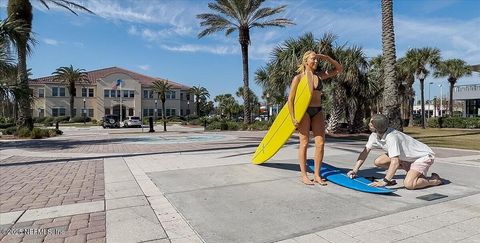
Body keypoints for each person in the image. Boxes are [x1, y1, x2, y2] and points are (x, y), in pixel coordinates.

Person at [288, 51, 343, 185]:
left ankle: (317, 175)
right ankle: (304, 175)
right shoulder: (298, 78)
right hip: (304, 111)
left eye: (317, 60)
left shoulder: (320, 76)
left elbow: (338, 69)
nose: (316, 61)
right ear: (306, 61)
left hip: (318, 110)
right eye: (314, 59)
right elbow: (291, 100)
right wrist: (293, 118)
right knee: (304, 143)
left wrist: (327, 57)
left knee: (320, 143)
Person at [347, 114, 442, 189]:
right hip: (407, 158)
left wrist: (385, 181)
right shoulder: (374, 136)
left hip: (422, 156)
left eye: (371, 123)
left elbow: (395, 162)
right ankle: (410, 170)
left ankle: (434, 180)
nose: (368, 124)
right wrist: (355, 170)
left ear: (375, 127)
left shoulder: (392, 137)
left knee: (409, 184)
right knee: (378, 161)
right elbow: (365, 152)